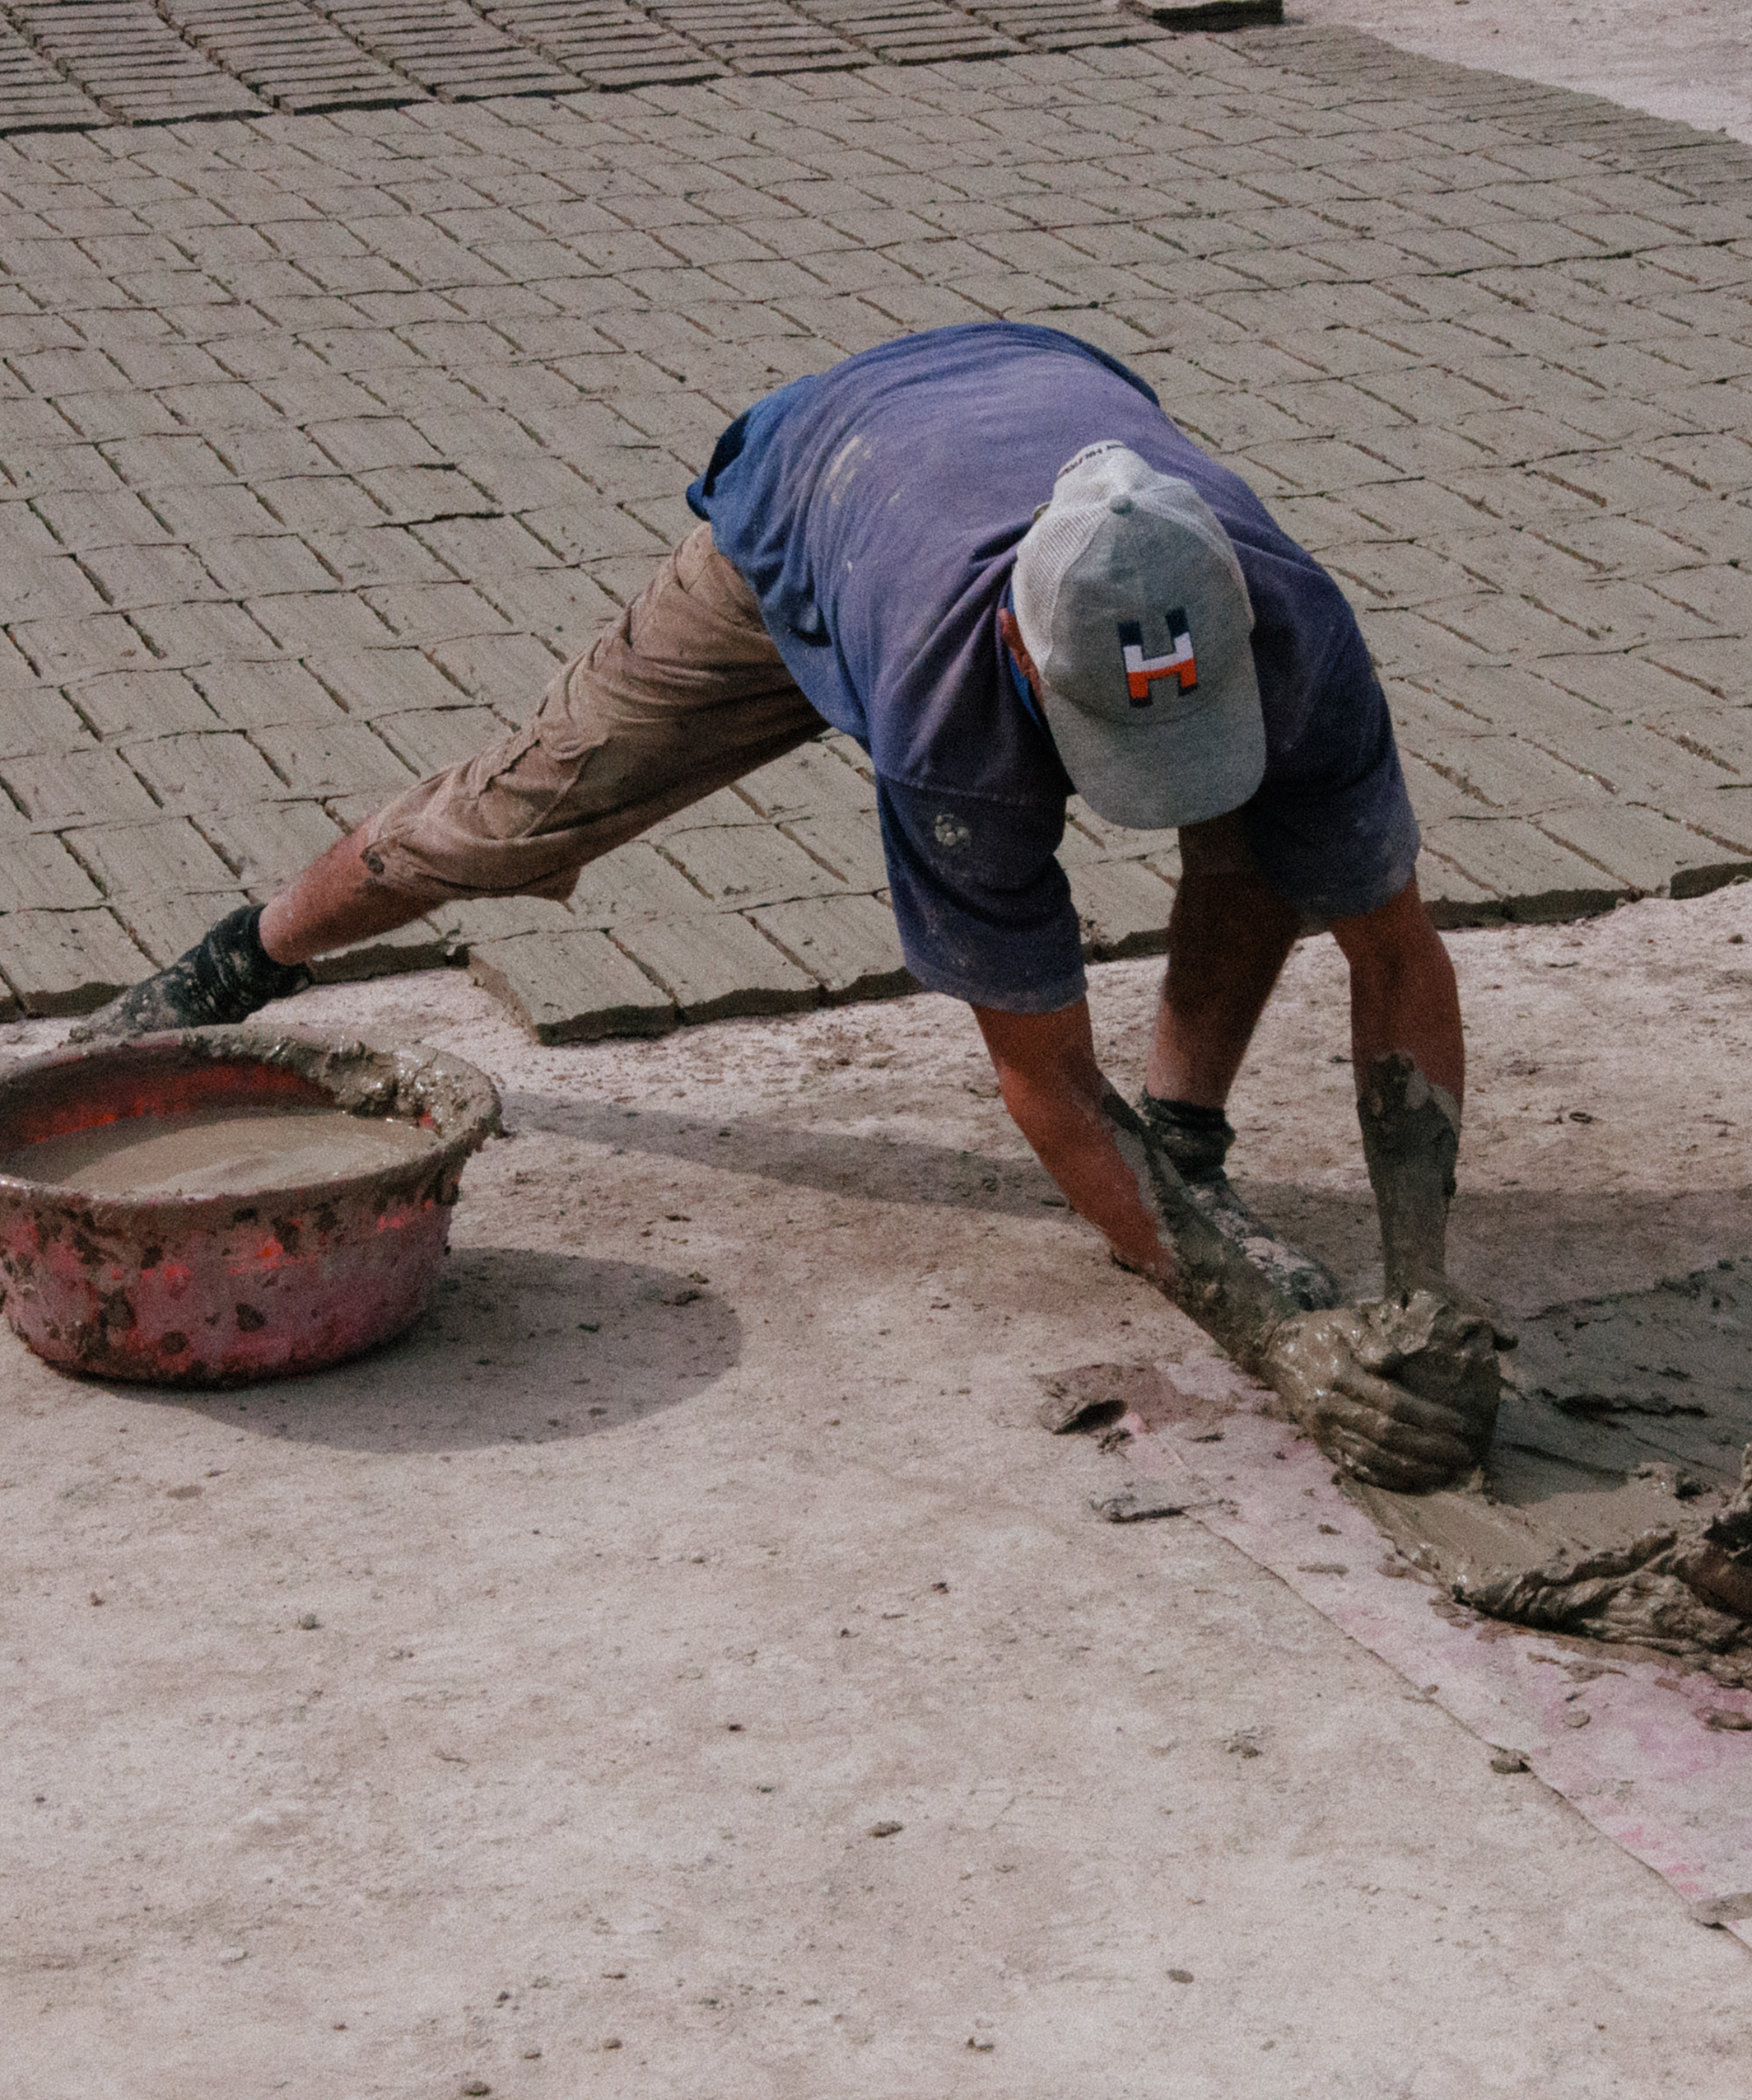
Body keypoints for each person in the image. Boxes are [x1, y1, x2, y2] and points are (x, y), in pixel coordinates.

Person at [81, 322, 1499, 1489]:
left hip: (1035, 389)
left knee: (1266, 834)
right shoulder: (952, 711)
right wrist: (1266, 1331)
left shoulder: (1293, 626)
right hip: (820, 487)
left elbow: (1393, 948)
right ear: (1024, 651)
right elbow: (1045, 1077)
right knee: (515, 815)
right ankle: (241, 959)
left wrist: (1422, 1290)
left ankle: (1184, 1147)